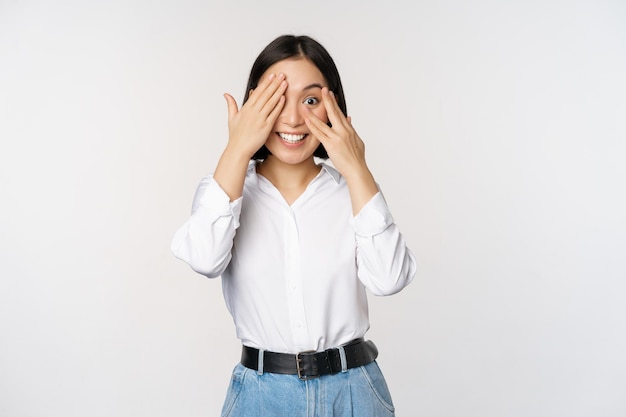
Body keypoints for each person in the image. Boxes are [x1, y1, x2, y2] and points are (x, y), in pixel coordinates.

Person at [171, 34, 417, 417]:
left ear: (332, 106)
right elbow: (204, 258)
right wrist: (237, 148)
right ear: (254, 104)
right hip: (261, 395)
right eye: (276, 99)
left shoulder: (350, 192)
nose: (291, 118)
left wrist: (356, 168)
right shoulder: (226, 189)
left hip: (353, 392)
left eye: (311, 100)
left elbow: (390, 279)